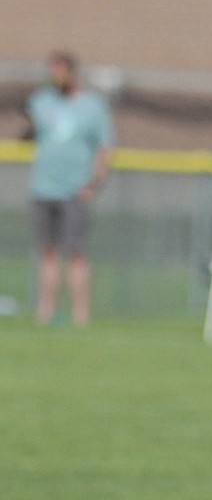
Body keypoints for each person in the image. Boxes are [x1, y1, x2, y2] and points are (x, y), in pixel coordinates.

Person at [25, 51, 115, 326]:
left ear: (73, 74)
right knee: (48, 252)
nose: (57, 77)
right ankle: (46, 312)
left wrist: (94, 184)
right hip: (44, 189)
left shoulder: (92, 106)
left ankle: (80, 317)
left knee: (76, 253)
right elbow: (31, 132)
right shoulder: (40, 102)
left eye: (61, 72)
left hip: (75, 191)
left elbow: (106, 148)